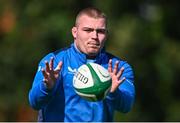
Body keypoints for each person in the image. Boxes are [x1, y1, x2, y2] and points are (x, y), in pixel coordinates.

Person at [28, 7, 135, 122]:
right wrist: (46, 88)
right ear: (75, 32)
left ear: (106, 35)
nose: (94, 36)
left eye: (100, 31)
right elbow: (34, 103)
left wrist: (114, 92)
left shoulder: (118, 68)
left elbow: (126, 106)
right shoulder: (54, 61)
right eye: (88, 30)